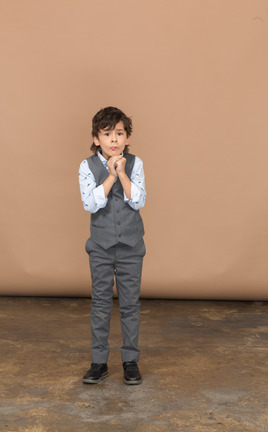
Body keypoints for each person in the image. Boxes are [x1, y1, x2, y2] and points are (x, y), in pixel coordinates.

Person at [78, 106, 146, 385]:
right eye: (107, 134)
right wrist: (109, 176)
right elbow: (90, 204)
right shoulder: (87, 166)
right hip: (101, 247)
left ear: (127, 137)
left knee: (130, 305)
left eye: (119, 133)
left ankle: (130, 361)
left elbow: (138, 200)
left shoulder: (136, 163)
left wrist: (123, 174)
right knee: (101, 304)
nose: (114, 139)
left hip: (131, 245)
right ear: (97, 139)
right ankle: (99, 362)